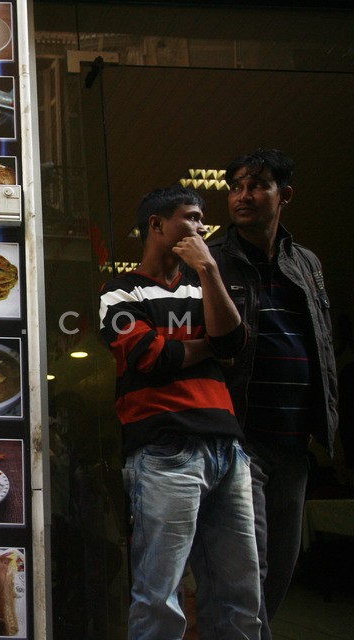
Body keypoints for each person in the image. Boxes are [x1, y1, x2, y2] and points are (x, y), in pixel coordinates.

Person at [98, 186, 260, 638]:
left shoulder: (203, 282)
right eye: (190, 218)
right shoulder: (118, 291)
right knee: (160, 593)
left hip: (229, 449)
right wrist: (210, 346)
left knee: (241, 594)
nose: (201, 227)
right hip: (165, 450)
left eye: (202, 219)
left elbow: (235, 345)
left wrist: (208, 269)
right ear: (157, 225)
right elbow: (153, 357)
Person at [208, 149, 338, 639]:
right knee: (248, 573)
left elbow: (321, 343)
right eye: (236, 186)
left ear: (284, 195)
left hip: (295, 441)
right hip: (242, 439)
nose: (242, 195)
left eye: (256, 185)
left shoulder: (306, 263)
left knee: (281, 570)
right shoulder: (216, 260)